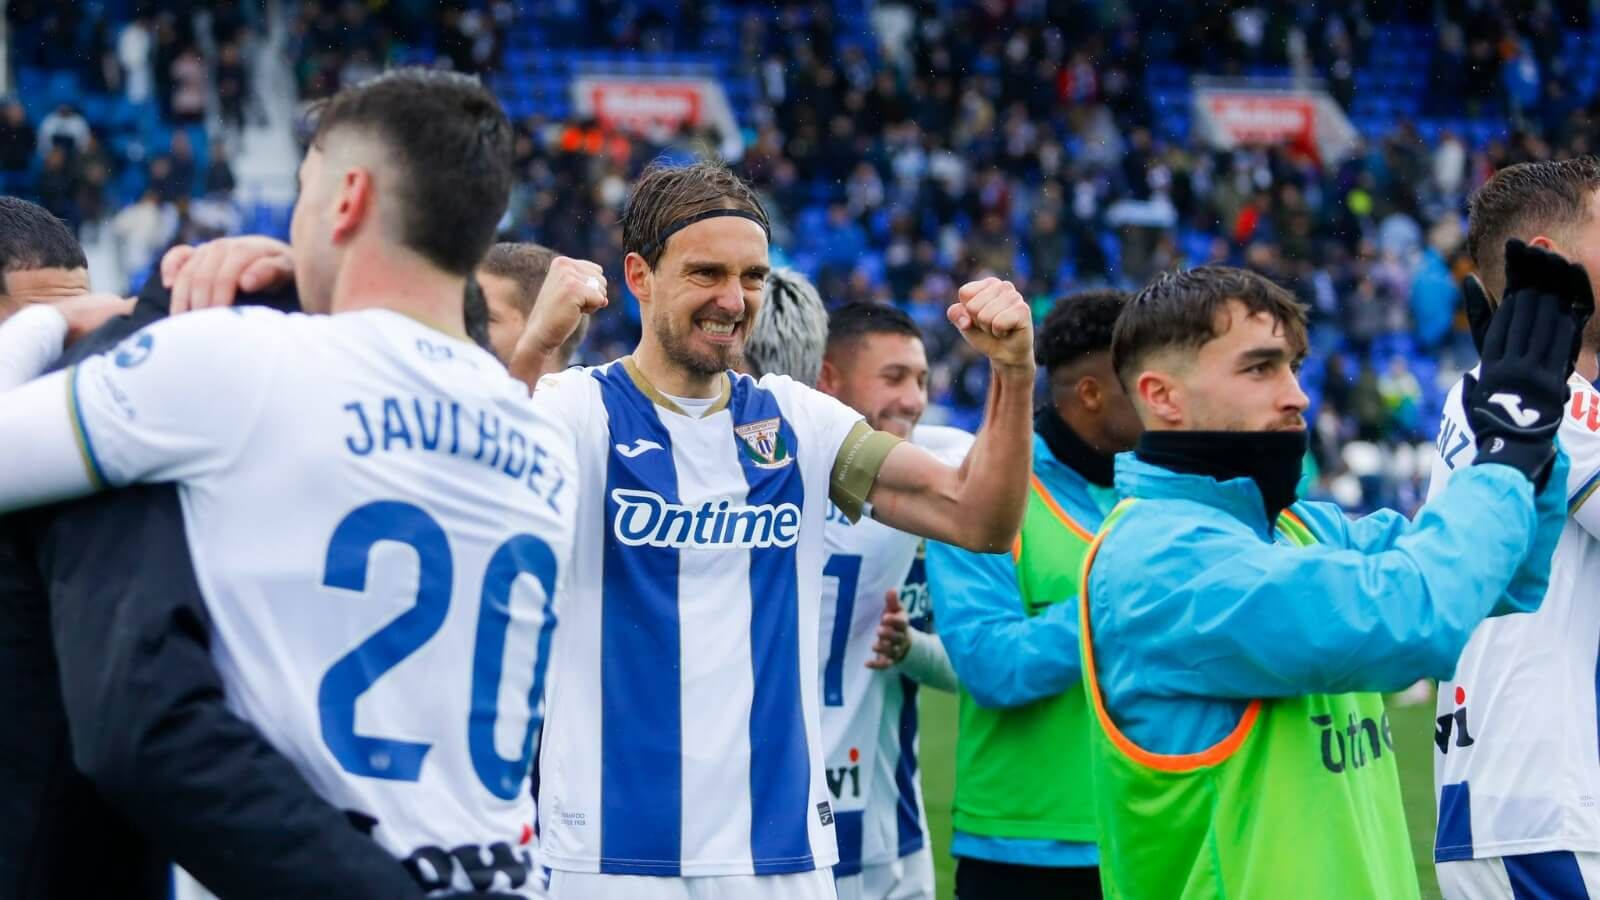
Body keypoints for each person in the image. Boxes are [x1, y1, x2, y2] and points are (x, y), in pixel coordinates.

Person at [0, 68, 578, 897]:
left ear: (345, 202)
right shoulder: (537, 429)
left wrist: (52, 321)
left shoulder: (239, 366)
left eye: (305, 193)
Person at [518, 159, 1036, 899]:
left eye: (753, 276)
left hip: (781, 853)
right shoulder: (576, 409)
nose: (734, 300)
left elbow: (977, 517)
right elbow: (468, 508)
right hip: (610, 853)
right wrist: (536, 349)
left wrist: (1014, 371)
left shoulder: (799, 420)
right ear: (639, 275)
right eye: (706, 273)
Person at [1080, 263, 1580, 897]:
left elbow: (1505, 573)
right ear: (1162, 396)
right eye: (1260, 368)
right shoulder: (1158, 561)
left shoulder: (1300, 528)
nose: (1297, 394)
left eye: (1292, 365)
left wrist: (1532, 436)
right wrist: (1506, 439)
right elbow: (1411, 619)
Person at [922, 289, 1141, 899]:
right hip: (1024, 849)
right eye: (1144, 381)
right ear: (1091, 393)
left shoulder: (1152, 493)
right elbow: (992, 665)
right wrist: (1123, 600)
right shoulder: (984, 491)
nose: (1164, 395)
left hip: (1152, 826)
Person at [1430, 157, 1600, 897]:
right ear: (1549, 256)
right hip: (1547, 807)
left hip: (1515, 800)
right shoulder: (1545, 399)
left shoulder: (1503, 392)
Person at [812, 300, 969, 900]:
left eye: (922, 379)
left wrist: (913, 650)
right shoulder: (769, 484)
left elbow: (975, 662)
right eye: (894, 377)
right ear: (829, 378)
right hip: (778, 818)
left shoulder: (947, 468)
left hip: (893, 829)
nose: (912, 398)